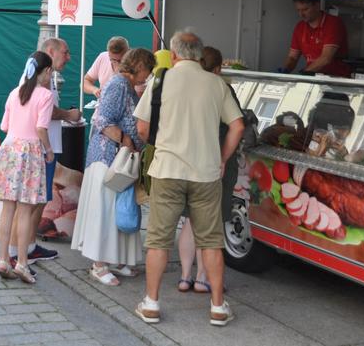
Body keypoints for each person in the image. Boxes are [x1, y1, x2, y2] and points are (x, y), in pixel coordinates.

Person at [133, 29, 244, 326]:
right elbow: (237, 126)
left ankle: (152, 304)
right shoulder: (216, 83)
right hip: (206, 174)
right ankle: (218, 307)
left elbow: (142, 129)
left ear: (175, 53)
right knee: (210, 241)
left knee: (158, 240)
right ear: (199, 53)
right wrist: (221, 158)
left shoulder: (160, 79)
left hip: (167, 170)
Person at [71, 48, 155, 286]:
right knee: (106, 210)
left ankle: (113, 260)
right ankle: (98, 264)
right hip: (107, 158)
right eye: (147, 69)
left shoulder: (125, 85)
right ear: (139, 65)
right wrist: (126, 140)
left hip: (115, 158)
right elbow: (102, 119)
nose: (147, 75)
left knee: (115, 210)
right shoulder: (119, 84)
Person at [8, 38, 81, 266]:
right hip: (39, 148)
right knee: (29, 203)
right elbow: (45, 115)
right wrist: (69, 115)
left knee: (37, 202)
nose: (68, 57)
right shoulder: (41, 81)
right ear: (51, 52)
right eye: (65, 52)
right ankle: (15, 253)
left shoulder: (38, 78)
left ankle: (27, 248)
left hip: (39, 147)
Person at [176, 46, 242, 293]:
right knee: (210, 225)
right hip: (214, 163)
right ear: (218, 69)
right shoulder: (221, 88)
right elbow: (237, 126)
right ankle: (203, 278)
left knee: (191, 220)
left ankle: (184, 277)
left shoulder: (183, 88)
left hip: (187, 161)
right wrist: (224, 158)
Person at [0, 51, 55, 284]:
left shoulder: (13, 93)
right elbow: (41, 128)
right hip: (30, 152)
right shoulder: (45, 96)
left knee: (8, 208)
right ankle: (22, 264)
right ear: (47, 71)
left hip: (9, 149)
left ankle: (2, 259)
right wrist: (48, 150)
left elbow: (5, 125)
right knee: (26, 209)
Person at [282, 0, 351, 77]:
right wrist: (283, 72)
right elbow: (293, 57)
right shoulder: (300, 27)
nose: (301, 14)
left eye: (305, 9)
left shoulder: (333, 23)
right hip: (313, 77)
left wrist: (304, 74)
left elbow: (325, 59)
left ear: (317, 5)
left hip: (336, 78)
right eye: (298, 10)